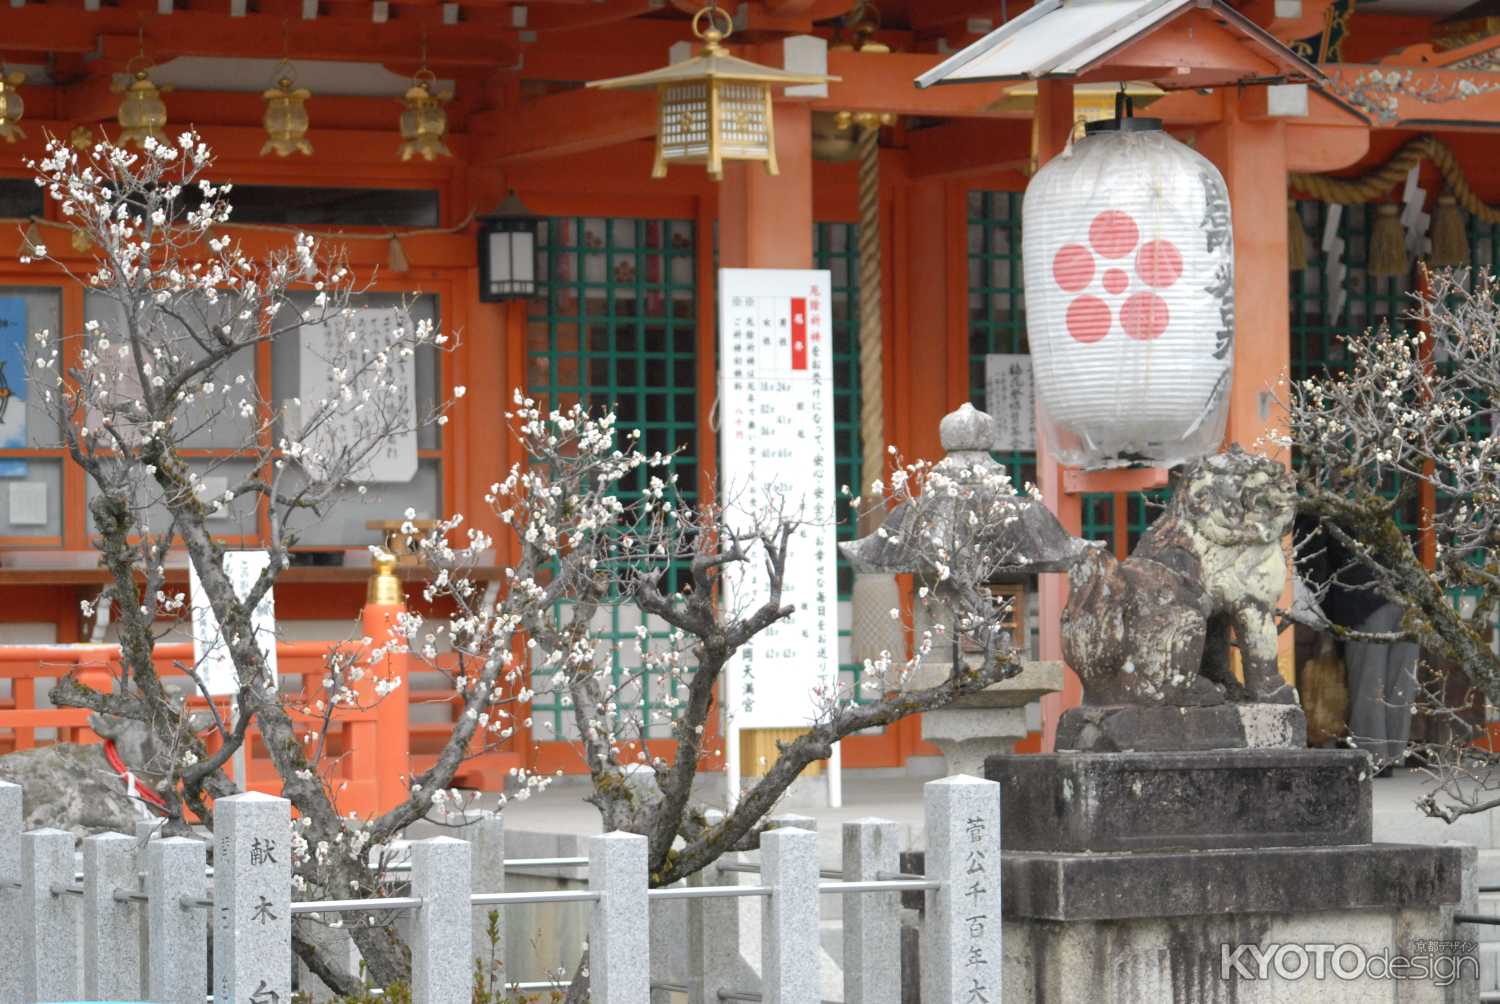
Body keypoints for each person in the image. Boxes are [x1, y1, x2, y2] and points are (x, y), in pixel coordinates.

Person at [1294, 515, 1419, 769]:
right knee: (1400, 682)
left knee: (1369, 681)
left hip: (1364, 604)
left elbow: (1315, 575)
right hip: (1407, 599)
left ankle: (1373, 758)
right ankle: (1394, 754)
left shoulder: (1311, 522)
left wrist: (1332, 620)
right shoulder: (1367, 514)